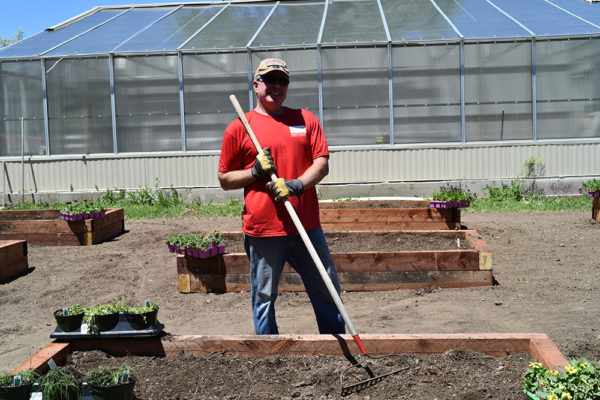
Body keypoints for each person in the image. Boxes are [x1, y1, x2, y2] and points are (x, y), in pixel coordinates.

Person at [218, 58, 345, 335]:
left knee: (326, 288)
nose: (276, 86)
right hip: (264, 231)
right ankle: (269, 353)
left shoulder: (305, 119)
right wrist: (254, 172)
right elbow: (225, 179)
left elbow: (321, 163)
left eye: (282, 81)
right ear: (256, 85)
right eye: (269, 80)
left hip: (306, 226)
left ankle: (335, 345)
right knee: (264, 296)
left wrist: (298, 185)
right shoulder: (239, 127)